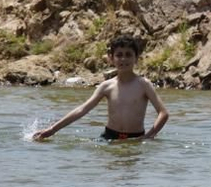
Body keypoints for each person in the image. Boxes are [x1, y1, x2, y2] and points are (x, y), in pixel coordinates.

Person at [33, 35, 168, 141]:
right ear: (111, 58)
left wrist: (150, 135)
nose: (123, 59)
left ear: (136, 58)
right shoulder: (107, 86)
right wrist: (52, 130)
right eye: (119, 55)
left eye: (128, 54)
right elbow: (82, 109)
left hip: (136, 138)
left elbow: (163, 113)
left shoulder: (143, 84)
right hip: (109, 137)